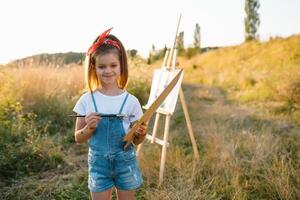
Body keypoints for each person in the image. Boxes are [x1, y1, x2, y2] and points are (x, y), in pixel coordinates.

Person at [73, 28, 147, 200]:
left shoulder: (131, 101)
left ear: (121, 65)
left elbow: (137, 141)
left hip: (125, 164)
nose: (108, 71)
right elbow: (78, 138)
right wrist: (89, 128)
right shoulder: (86, 100)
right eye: (102, 66)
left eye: (113, 65)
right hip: (99, 167)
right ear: (93, 67)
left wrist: (141, 134)